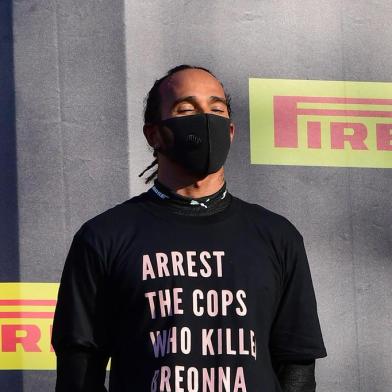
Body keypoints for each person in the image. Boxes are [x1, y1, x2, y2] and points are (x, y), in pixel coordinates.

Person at [52, 64, 327, 391]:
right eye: (186, 109)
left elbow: (297, 366)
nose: (206, 119)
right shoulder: (104, 237)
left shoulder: (277, 237)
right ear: (154, 134)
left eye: (216, 109)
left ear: (230, 131)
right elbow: (79, 369)